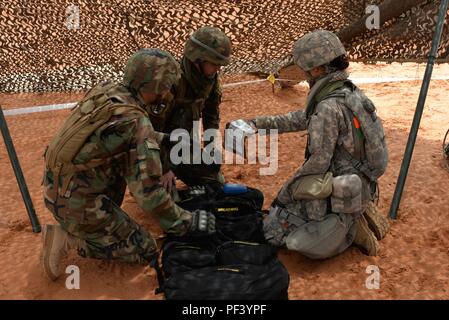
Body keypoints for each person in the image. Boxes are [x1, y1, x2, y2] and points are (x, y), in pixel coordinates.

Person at [41, 48, 215, 281]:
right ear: (159, 87)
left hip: (57, 189)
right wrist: (187, 221)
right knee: (145, 249)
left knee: (119, 166)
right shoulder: (136, 122)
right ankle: (70, 239)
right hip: (77, 206)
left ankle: (91, 223)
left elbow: (111, 136)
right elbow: (150, 196)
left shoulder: (107, 90)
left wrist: (162, 138)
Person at [231, 30, 390, 258]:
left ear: (317, 69)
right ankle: (354, 213)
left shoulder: (328, 106)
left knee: (275, 234)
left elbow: (317, 163)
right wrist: (256, 124)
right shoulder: (348, 92)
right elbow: (301, 118)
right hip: (358, 182)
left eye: (306, 69)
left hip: (340, 186)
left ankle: (350, 228)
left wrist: (285, 194)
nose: (304, 74)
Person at [146, 26, 232, 193]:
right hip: (154, 148)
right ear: (198, 59)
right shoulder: (170, 82)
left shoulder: (209, 80)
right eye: (214, 63)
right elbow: (150, 130)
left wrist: (210, 148)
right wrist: (164, 168)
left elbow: (211, 113)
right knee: (163, 196)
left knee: (213, 181)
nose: (217, 69)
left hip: (183, 144)